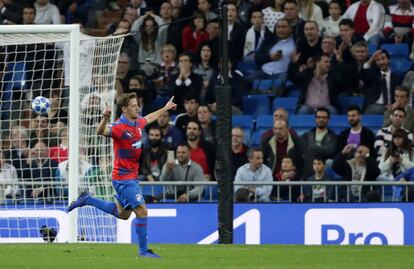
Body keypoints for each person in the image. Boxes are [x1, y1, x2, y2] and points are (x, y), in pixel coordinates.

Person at [68, 93, 177, 258]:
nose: (137, 108)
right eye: (133, 106)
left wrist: (165, 108)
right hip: (123, 178)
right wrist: (105, 118)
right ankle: (143, 251)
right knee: (142, 211)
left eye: (137, 104)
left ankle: (87, 199)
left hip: (130, 177)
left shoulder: (137, 123)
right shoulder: (119, 127)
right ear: (124, 109)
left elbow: (149, 117)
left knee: (123, 214)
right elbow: (100, 131)